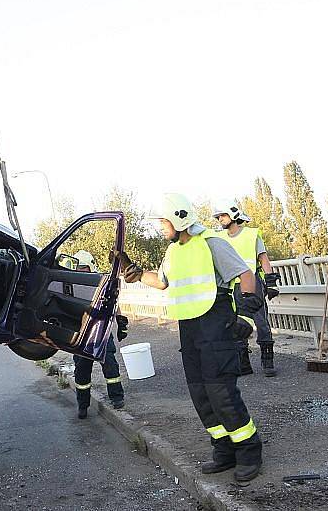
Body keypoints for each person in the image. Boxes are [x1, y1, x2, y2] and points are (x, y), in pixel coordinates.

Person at [114, 193, 263, 482]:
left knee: (222, 394)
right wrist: (135, 273)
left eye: (162, 221)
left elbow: (246, 275)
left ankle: (248, 451)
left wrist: (245, 315)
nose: (160, 226)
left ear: (179, 218)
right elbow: (161, 282)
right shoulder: (173, 252)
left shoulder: (212, 243)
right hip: (190, 329)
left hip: (217, 326)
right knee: (201, 395)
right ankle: (224, 450)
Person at [212, 201, 280, 377]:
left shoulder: (251, 235)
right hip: (231, 286)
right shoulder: (219, 239)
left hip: (253, 284)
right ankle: (244, 364)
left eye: (223, 216)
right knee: (236, 324)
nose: (220, 219)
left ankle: (267, 362)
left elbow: (263, 259)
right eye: (218, 217)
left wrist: (271, 282)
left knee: (261, 323)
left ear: (234, 216)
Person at [70, 250, 127, 419]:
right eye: (79, 270)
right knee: (82, 372)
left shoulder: (102, 283)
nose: (82, 273)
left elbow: (113, 302)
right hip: (80, 335)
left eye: (84, 269)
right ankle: (83, 405)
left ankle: (117, 398)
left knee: (110, 366)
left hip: (101, 332)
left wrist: (120, 321)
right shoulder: (71, 284)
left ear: (91, 268)